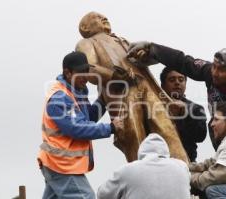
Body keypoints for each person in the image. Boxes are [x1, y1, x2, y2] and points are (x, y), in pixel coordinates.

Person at [75, 11, 188, 163]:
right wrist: (114, 75)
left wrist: (143, 56)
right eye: (97, 17)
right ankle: (140, 176)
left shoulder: (122, 41)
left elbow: (145, 71)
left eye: (104, 16)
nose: (104, 18)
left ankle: (183, 168)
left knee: (166, 127)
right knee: (134, 135)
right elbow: (88, 68)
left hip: (144, 85)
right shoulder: (86, 43)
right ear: (85, 27)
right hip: (121, 92)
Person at [127, 42, 226, 150]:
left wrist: (185, 113)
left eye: (221, 70)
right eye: (214, 66)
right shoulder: (210, 72)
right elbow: (183, 61)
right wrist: (153, 49)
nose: (215, 73)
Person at [37, 51, 124, 199]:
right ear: (68, 72)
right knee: (86, 196)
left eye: (87, 71)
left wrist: (103, 100)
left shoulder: (77, 92)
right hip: (61, 164)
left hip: (57, 164)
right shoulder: (60, 97)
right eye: (81, 72)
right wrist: (110, 128)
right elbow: (76, 128)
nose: (86, 76)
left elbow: (88, 117)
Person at [97, 133, 191, 199]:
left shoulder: (128, 170)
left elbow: (102, 195)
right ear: (166, 152)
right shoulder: (182, 167)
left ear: (141, 152)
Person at [160, 67, 207, 162]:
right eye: (172, 80)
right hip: (158, 163)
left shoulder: (196, 108)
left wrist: (185, 114)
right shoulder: (154, 108)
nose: (177, 82)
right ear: (163, 85)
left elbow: (200, 136)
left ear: (185, 83)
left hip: (187, 163)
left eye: (181, 79)